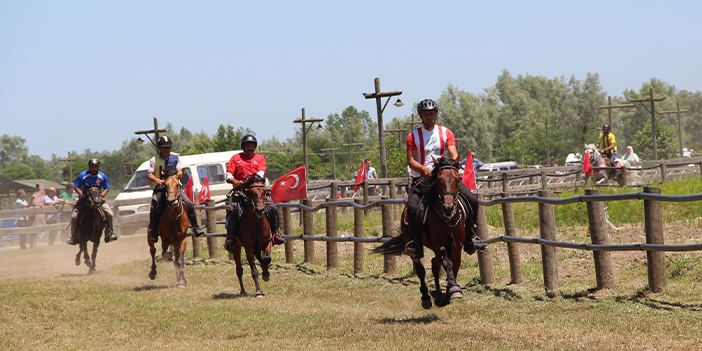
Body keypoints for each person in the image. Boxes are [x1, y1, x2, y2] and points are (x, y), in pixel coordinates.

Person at [404, 98, 485, 259]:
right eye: (426, 114)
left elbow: (453, 153)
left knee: (473, 201)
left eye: (432, 113)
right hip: (422, 179)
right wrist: (425, 169)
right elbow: (411, 161)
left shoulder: (446, 132)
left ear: (436, 114)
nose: (429, 117)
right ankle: (415, 243)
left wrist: (452, 163)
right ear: (420, 115)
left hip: (444, 176)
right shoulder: (412, 136)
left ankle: (471, 237)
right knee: (413, 208)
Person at [224, 134, 285, 249]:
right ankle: (232, 237)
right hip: (241, 190)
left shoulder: (260, 158)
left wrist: (252, 181)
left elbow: (261, 173)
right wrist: (238, 182)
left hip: (257, 190)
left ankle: (276, 234)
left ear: (255, 147)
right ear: (243, 146)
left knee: (272, 206)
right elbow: (228, 176)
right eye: (247, 145)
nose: (250, 147)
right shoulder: (236, 158)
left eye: (252, 145)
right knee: (233, 209)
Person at [146, 136, 204, 243]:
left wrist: (178, 175)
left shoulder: (176, 158)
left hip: (174, 187)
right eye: (164, 147)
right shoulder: (154, 160)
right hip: (160, 188)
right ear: (160, 148)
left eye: (168, 147)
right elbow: (149, 174)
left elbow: (180, 171)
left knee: (189, 203)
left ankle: (195, 227)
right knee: (154, 207)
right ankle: (153, 230)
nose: (166, 149)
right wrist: (158, 180)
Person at [69, 158, 118, 245]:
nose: (94, 168)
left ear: (98, 167)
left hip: (98, 200)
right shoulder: (83, 175)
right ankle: (74, 236)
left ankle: (109, 234)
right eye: (92, 167)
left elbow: (107, 187)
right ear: (89, 167)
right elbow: (76, 186)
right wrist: (83, 195)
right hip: (84, 201)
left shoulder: (102, 176)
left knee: (109, 214)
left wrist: (101, 196)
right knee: (74, 217)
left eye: (95, 167)